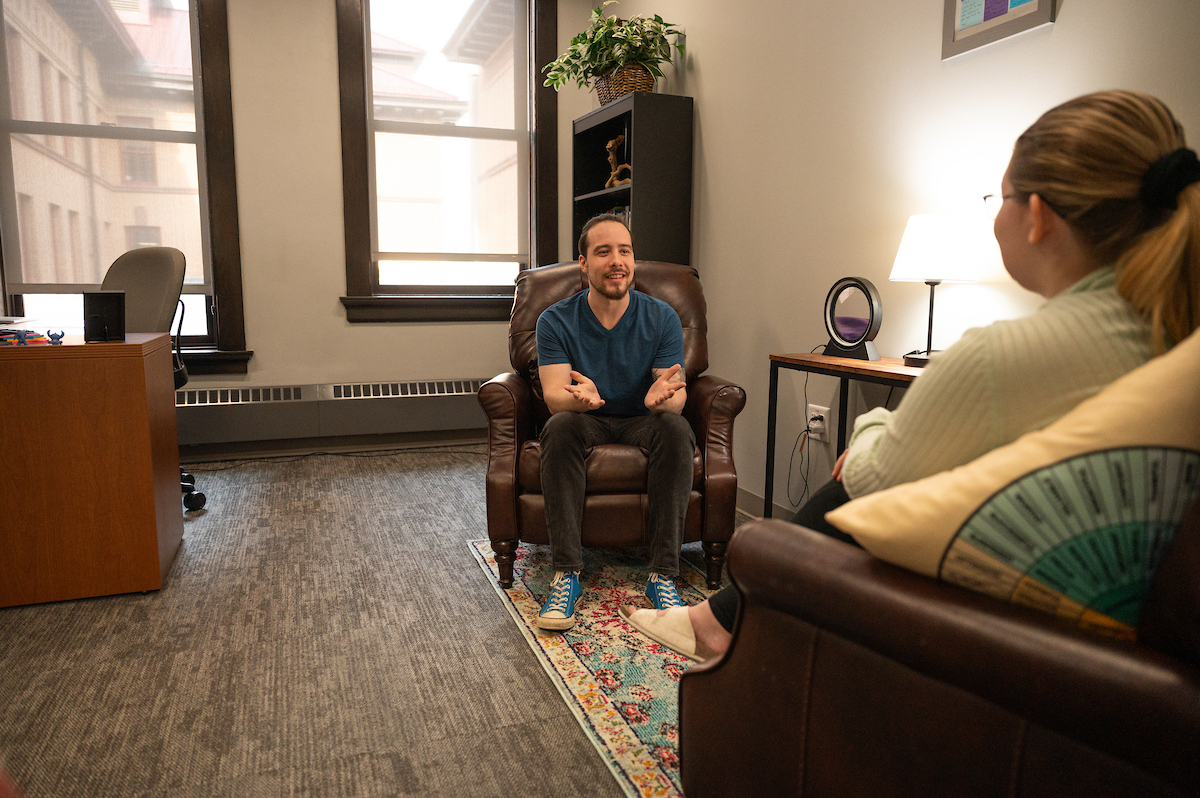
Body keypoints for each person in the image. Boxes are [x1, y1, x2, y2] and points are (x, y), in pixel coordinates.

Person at [622, 89, 1200, 661]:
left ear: (1039, 217)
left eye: (999, 198)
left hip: (1007, 632)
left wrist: (870, 430)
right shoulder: (1175, 334)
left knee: (847, 483)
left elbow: (873, 476)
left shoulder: (1004, 355)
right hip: (1125, 640)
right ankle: (716, 617)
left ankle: (716, 622)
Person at [534, 213, 696, 630]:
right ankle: (567, 574)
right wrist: (579, 401)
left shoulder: (662, 317)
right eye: (603, 252)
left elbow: (675, 395)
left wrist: (664, 401)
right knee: (559, 427)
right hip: (587, 419)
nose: (616, 261)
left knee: (677, 429)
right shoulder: (554, 320)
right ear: (583, 263)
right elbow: (553, 397)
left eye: (624, 251)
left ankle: (662, 576)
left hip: (643, 419)